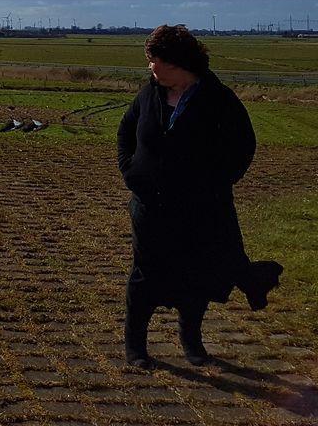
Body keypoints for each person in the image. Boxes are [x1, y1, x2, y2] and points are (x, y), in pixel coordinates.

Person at [116, 24, 283, 368]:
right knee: (145, 274)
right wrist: (131, 171)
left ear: (177, 63)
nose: (150, 68)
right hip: (150, 206)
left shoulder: (218, 100)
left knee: (194, 276)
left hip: (199, 210)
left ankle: (192, 343)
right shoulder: (149, 95)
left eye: (154, 61)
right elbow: (125, 131)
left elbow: (242, 148)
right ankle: (136, 347)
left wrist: (215, 184)